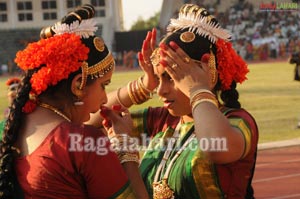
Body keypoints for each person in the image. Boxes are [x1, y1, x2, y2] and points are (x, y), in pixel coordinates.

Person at [88, 4, 259, 199]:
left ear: (206, 74)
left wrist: (198, 89)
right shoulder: (163, 119)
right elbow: (91, 121)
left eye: (172, 77)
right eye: (159, 78)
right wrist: (144, 85)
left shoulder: (237, 120)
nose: (160, 90)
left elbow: (214, 147)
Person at [0, 4, 149, 199]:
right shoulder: (85, 142)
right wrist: (126, 148)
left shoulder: (8, 127)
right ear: (78, 85)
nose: (105, 98)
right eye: (104, 85)